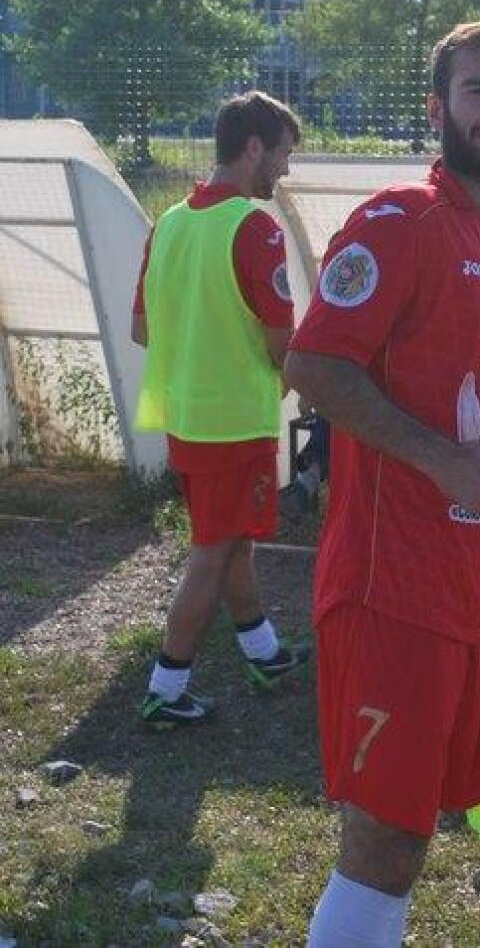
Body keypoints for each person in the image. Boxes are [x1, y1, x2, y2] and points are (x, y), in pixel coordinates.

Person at [284, 18, 480, 948]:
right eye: (479, 91)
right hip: (388, 587)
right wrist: (441, 462)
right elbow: (314, 364)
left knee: (409, 837)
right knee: (385, 839)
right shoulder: (401, 219)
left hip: (459, 589)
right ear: (437, 108)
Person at [132, 90, 307, 727]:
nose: (284, 170)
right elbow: (282, 343)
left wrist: (200, 344)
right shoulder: (255, 228)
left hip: (186, 418)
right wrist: (307, 382)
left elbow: (141, 329)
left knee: (230, 543)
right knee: (213, 551)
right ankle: (166, 684)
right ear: (254, 148)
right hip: (235, 421)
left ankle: (263, 653)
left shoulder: (169, 223)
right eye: (283, 154)